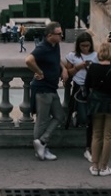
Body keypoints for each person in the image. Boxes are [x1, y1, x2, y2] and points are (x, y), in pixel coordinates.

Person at [25, 22, 67, 161]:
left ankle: (42, 142)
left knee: (59, 116)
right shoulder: (42, 47)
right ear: (50, 35)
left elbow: (57, 59)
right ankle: (41, 148)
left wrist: (64, 69)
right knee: (42, 121)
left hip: (51, 87)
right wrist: (39, 71)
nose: (62, 35)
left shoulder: (55, 45)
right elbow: (29, 60)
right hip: (42, 89)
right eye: (59, 33)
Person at [84, 42, 111, 177]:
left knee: (96, 135)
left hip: (96, 104)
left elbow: (86, 87)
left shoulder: (92, 68)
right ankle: (104, 167)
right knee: (108, 137)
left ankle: (94, 165)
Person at [66, 31, 98, 160]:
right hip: (78, 87)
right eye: (83, 46)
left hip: (92, 88)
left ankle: (88, 147)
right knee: (84, 117)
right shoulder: (72, 56)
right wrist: (78, 67)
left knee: (91, 119)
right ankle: (77, 117)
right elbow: (69, 73)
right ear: (78, 46)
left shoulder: (96, 56)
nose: (85, 48)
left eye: (87, 45)